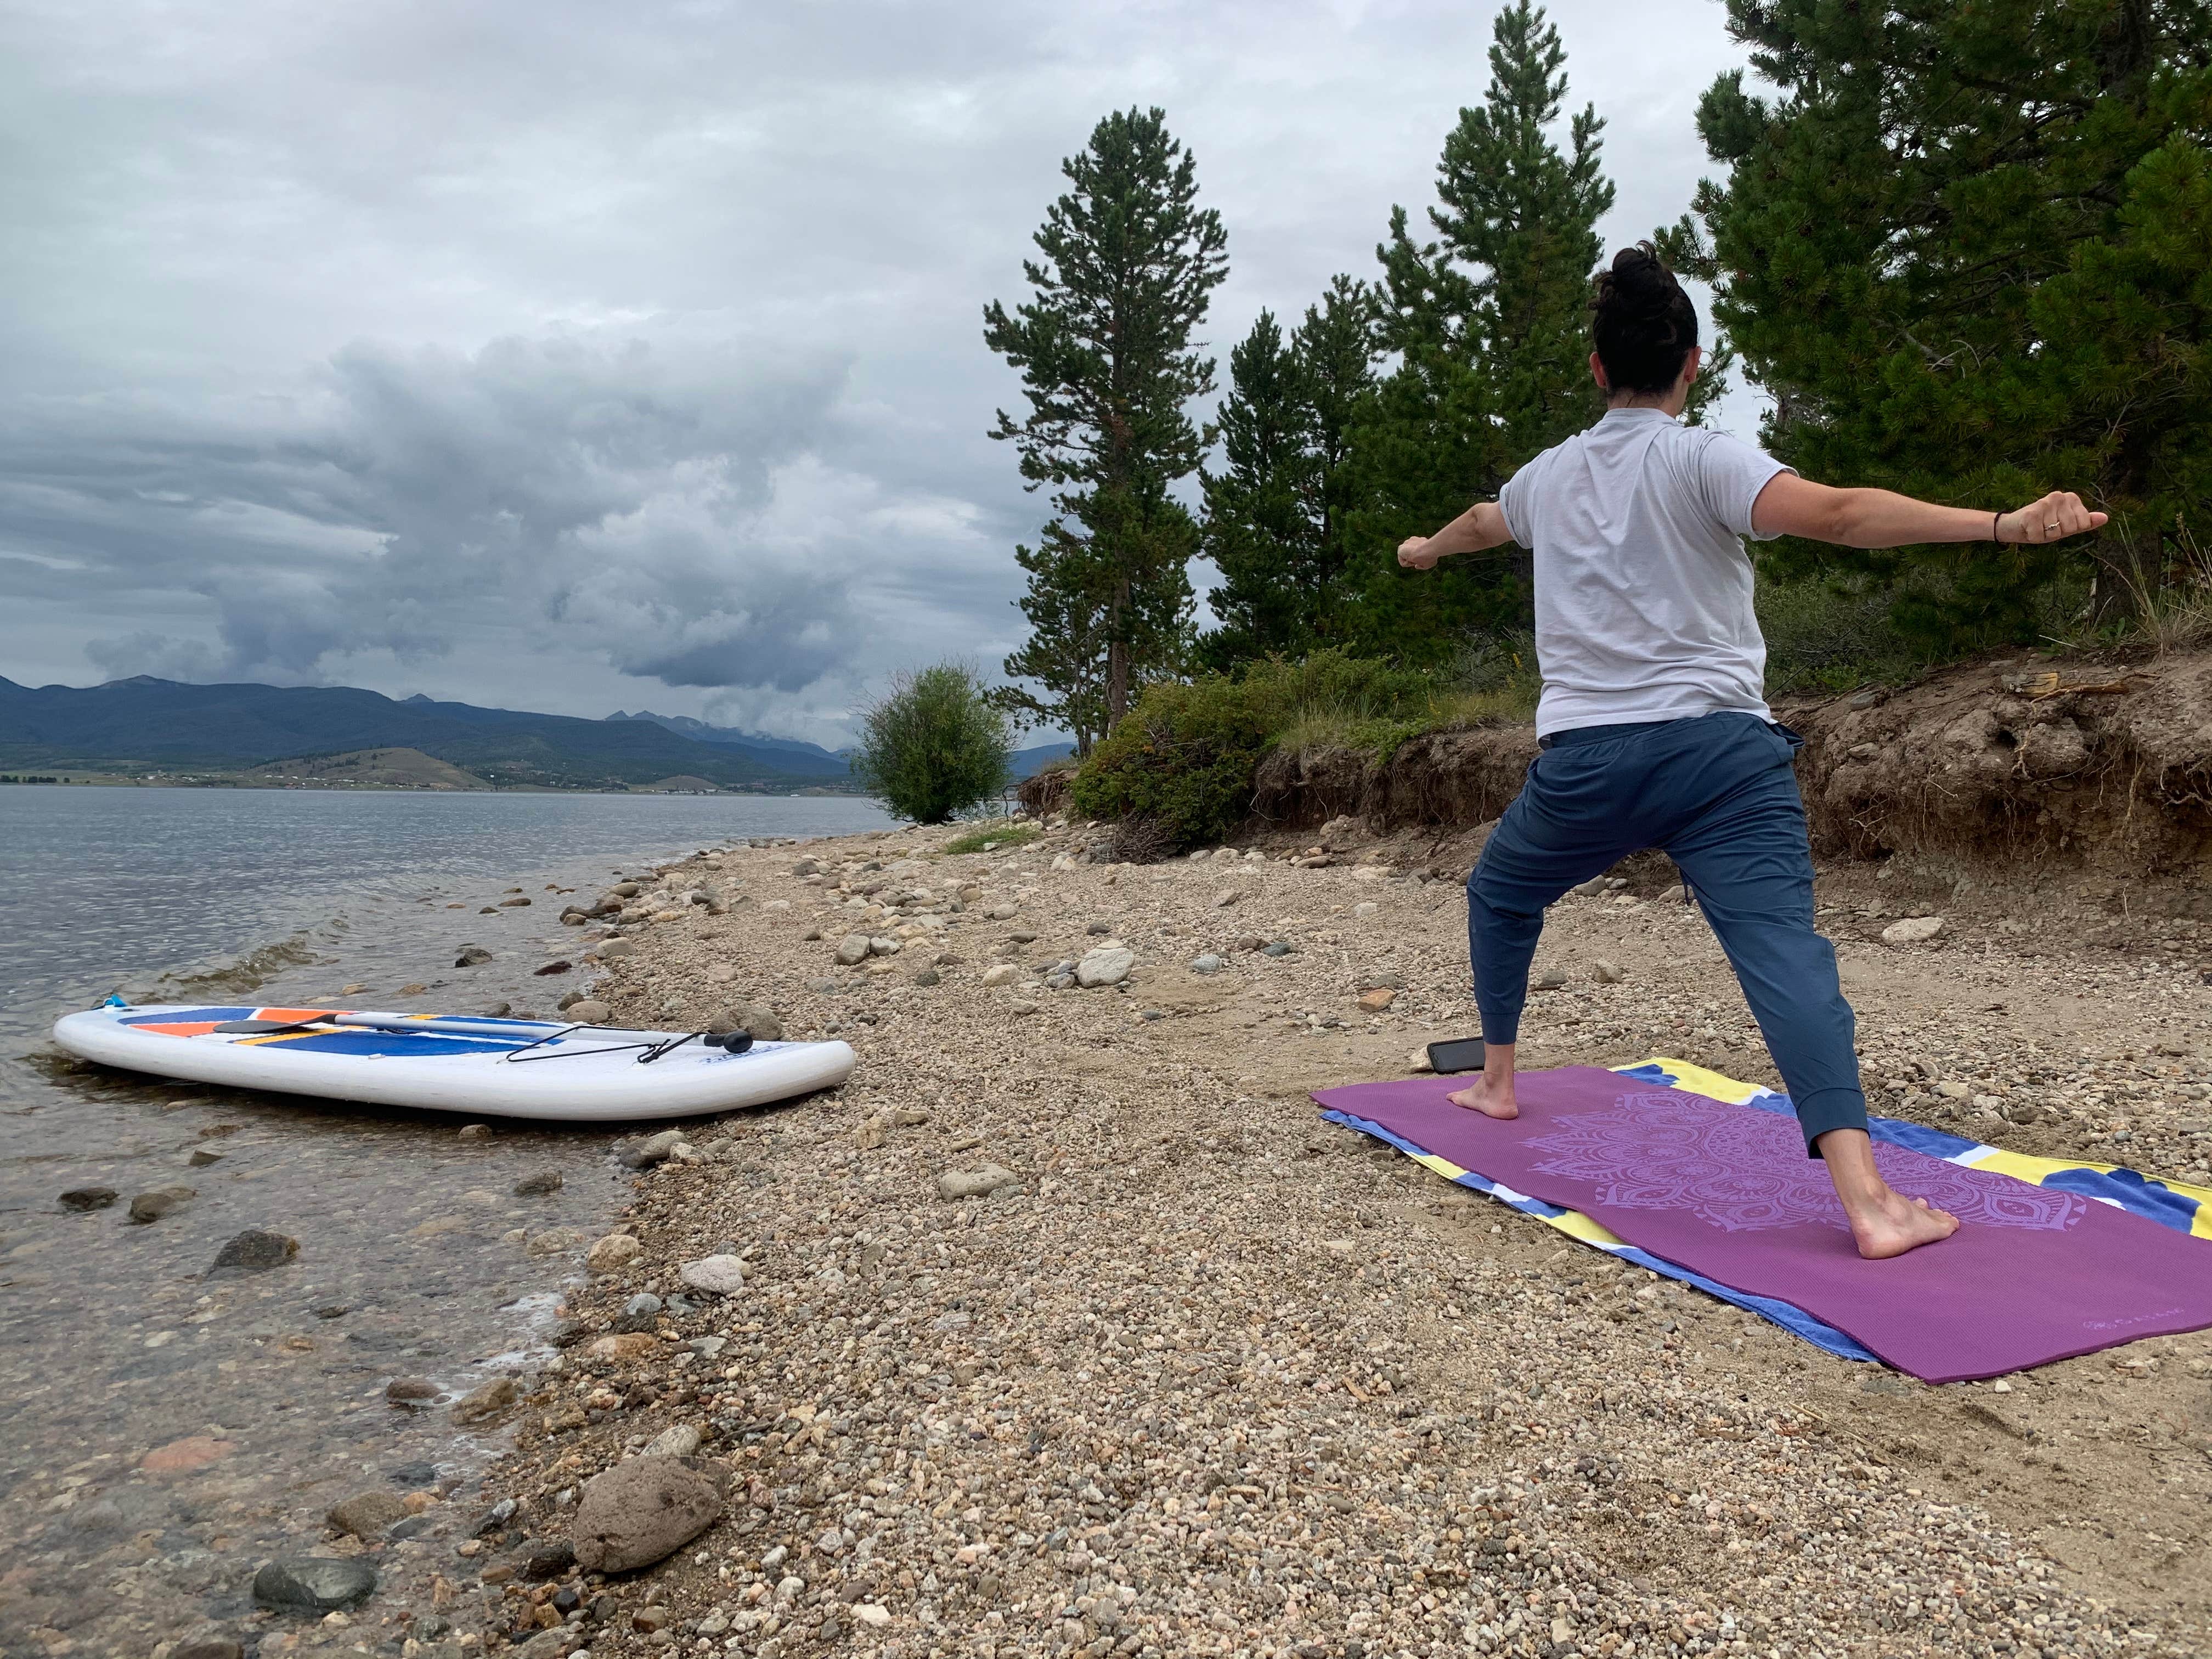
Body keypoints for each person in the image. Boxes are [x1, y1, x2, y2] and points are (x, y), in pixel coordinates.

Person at [1396, 242, 2107, 1260]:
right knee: (1782, 954)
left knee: (1503, 893)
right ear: (1693, 365)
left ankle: (1498, 1083)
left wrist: (1425, 549)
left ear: (1597, 371)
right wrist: (2002, 525)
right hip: (1722, 765)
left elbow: (1477, 523)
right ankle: (1871, 1203)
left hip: (1585, 767)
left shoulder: (1547, 479)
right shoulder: (1706, 458)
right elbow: (1845, 517)